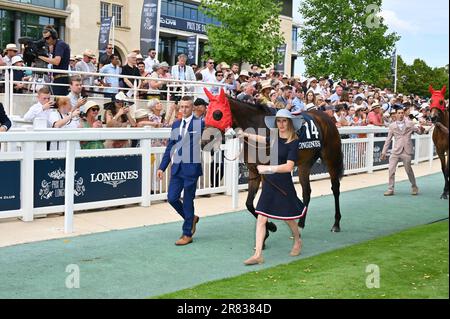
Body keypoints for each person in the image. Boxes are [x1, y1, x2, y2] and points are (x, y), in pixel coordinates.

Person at [238, 109, 306, 266]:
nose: (281, 124)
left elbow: (289, 167)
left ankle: (297, 239)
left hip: (283, 184)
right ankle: (257, 255)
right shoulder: (274, 137)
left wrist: (268, 169)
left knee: (288, 219)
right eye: (278, 121)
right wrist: (246, 135)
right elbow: (262, 139)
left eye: (284, 121)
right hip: (269, 183)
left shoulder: (294, 142)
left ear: (289, 123)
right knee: (261, 217)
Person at [157, 96, 204, 246]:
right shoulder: (176, 124)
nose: (184, 109)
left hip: (191, 168)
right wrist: (162, 167)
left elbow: (215, 130)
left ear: (193, 108)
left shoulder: (200, 124)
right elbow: (170, 146)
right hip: (176, 167)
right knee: (172, 198)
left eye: (187, 107)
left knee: (188, 200)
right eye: (182, 107)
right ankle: (191, 219)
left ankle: (187, 233)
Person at [381, 107, 425, 196]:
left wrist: (422, 130)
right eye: (399, 113)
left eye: (402, 113)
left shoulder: (410, 123)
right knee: (391, 170)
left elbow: (419, 132)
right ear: (396, 114)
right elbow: (388, 139)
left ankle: (414, 186)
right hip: (396, 151)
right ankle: (390, 189)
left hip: (407, 150)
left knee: (408, 170)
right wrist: (383, 152)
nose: (400, 114)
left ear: (404, 114)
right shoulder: (392, 126)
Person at [38, 25, 71, 96]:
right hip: (59, 77)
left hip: (61, 78)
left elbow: (56, 61)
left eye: (47, 38)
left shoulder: (60, 44)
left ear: (54, 36)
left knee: (59, 102)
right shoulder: (57, 45)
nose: (46, 40)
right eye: (44, 39)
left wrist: (40, 57)